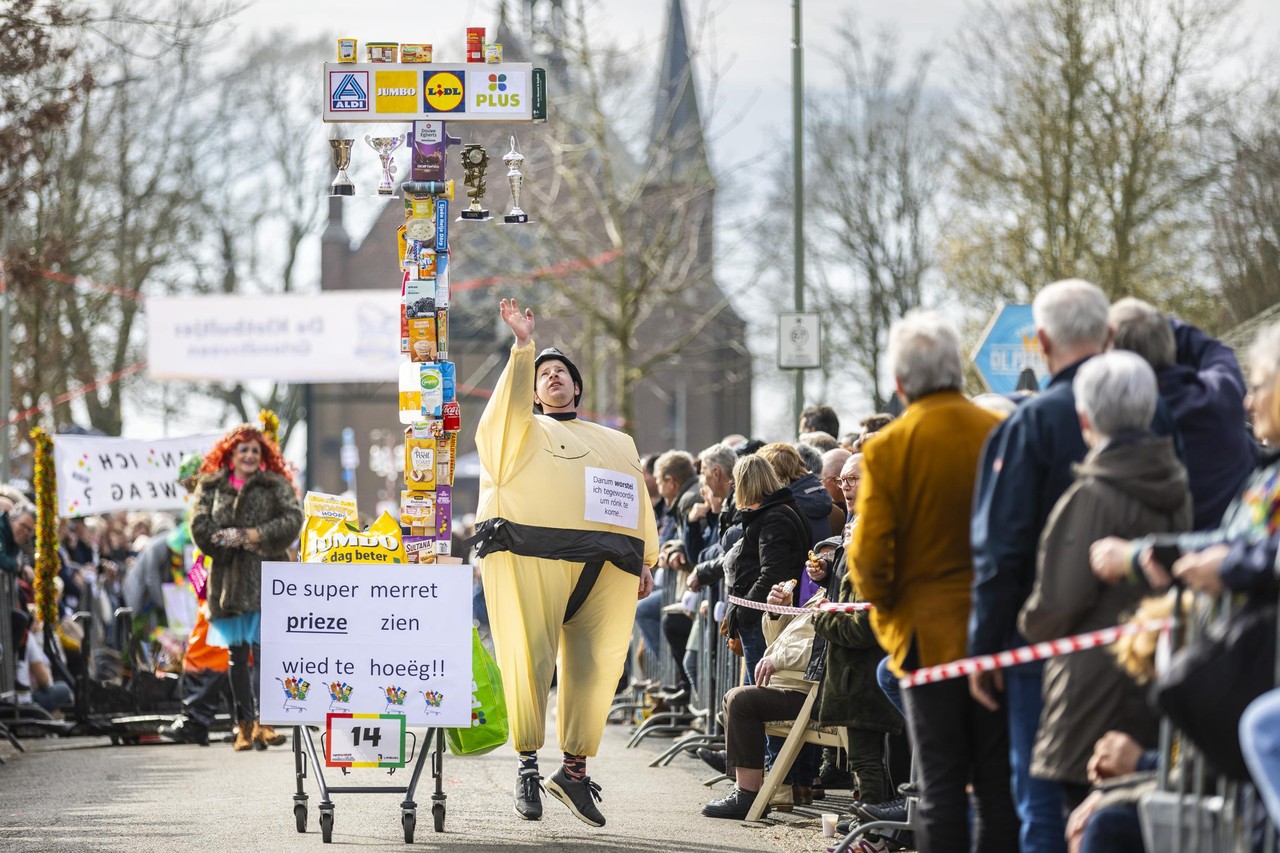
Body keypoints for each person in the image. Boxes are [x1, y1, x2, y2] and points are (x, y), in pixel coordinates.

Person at [969, 279, 1175, 853]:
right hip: (1148, 641)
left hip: (1048, 649)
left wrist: (988, 644)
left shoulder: (1028, 425)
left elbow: (1001, 550)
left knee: (1045, 802)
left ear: (1039, 342)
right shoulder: (1158, 419)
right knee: (1127, 798)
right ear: (1107, 334)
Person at [471, 299, 658, 828]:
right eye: (544, 375)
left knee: (598, 666)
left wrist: (646, 558)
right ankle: (528, 767)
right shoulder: (521, 432)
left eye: (562, 373)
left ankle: (573, 772)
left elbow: (636, 501)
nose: (553, 378)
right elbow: (499, 417)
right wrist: (524, 348)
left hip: (604, 566)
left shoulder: (617, 442)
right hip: (531, 553)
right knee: (529, 657)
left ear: (577, 388)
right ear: (533, 389)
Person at [851, 310, 1017, 853]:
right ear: (958, 370)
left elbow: (870, 560)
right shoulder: (999, 431)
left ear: (899, 383)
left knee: (941, 783)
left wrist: (891, 605)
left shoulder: (889, 448)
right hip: (1001, 632)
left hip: (925, 636)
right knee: (996, 784)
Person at [1017, 351, 1191, 812]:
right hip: (1154, 678)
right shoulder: (1176, 487)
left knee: (1088, 825)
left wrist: (1028, 624)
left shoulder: (1092, 495)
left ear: (1085, 417)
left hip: (1091, 690)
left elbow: (1057, 604)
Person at [189, 422, 302, 752]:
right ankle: (244, 725)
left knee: (267, 653)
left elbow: (293, 517)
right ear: (231, 454)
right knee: (238, 656)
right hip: (231, 581)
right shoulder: (211, 486)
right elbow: (200, 524)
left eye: (256, 450)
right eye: (244, 450)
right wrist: (227, 540)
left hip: (269, 577)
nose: (250, 455)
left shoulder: (275, 485)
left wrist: (254, 535)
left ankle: (266, 722)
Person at [1108, 297, 1255, 530]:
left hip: (1163, 558)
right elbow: (1214, 350)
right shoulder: (1222, 393)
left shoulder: (1122, 424)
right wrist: (1155, 326)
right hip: (1242, 543)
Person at [700, 579, 826, 820]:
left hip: (812, 693)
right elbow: (777, 642)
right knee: (735, 700)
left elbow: (823, 648)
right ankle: (746, 790)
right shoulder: (822, 592)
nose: (819, 562)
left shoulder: (839, 595)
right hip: (795, 687)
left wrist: (778, 661)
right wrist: (777, 612)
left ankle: (747, 794)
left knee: (740, 700)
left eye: (831, 554)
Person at [719, 454, 810, 685]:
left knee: (754, 693)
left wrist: (744, 612)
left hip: (763, 618)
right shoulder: (783, 509)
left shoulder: (774, 517)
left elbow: (772, 573)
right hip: (765, 614)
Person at [1, 502, 36, 575]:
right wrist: (19, 565)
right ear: (12, 519)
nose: (25, 532)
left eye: (29, 529)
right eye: (23, 525)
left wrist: (25, 564)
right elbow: (2, 560)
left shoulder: (14, 535)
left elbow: (23, 554)